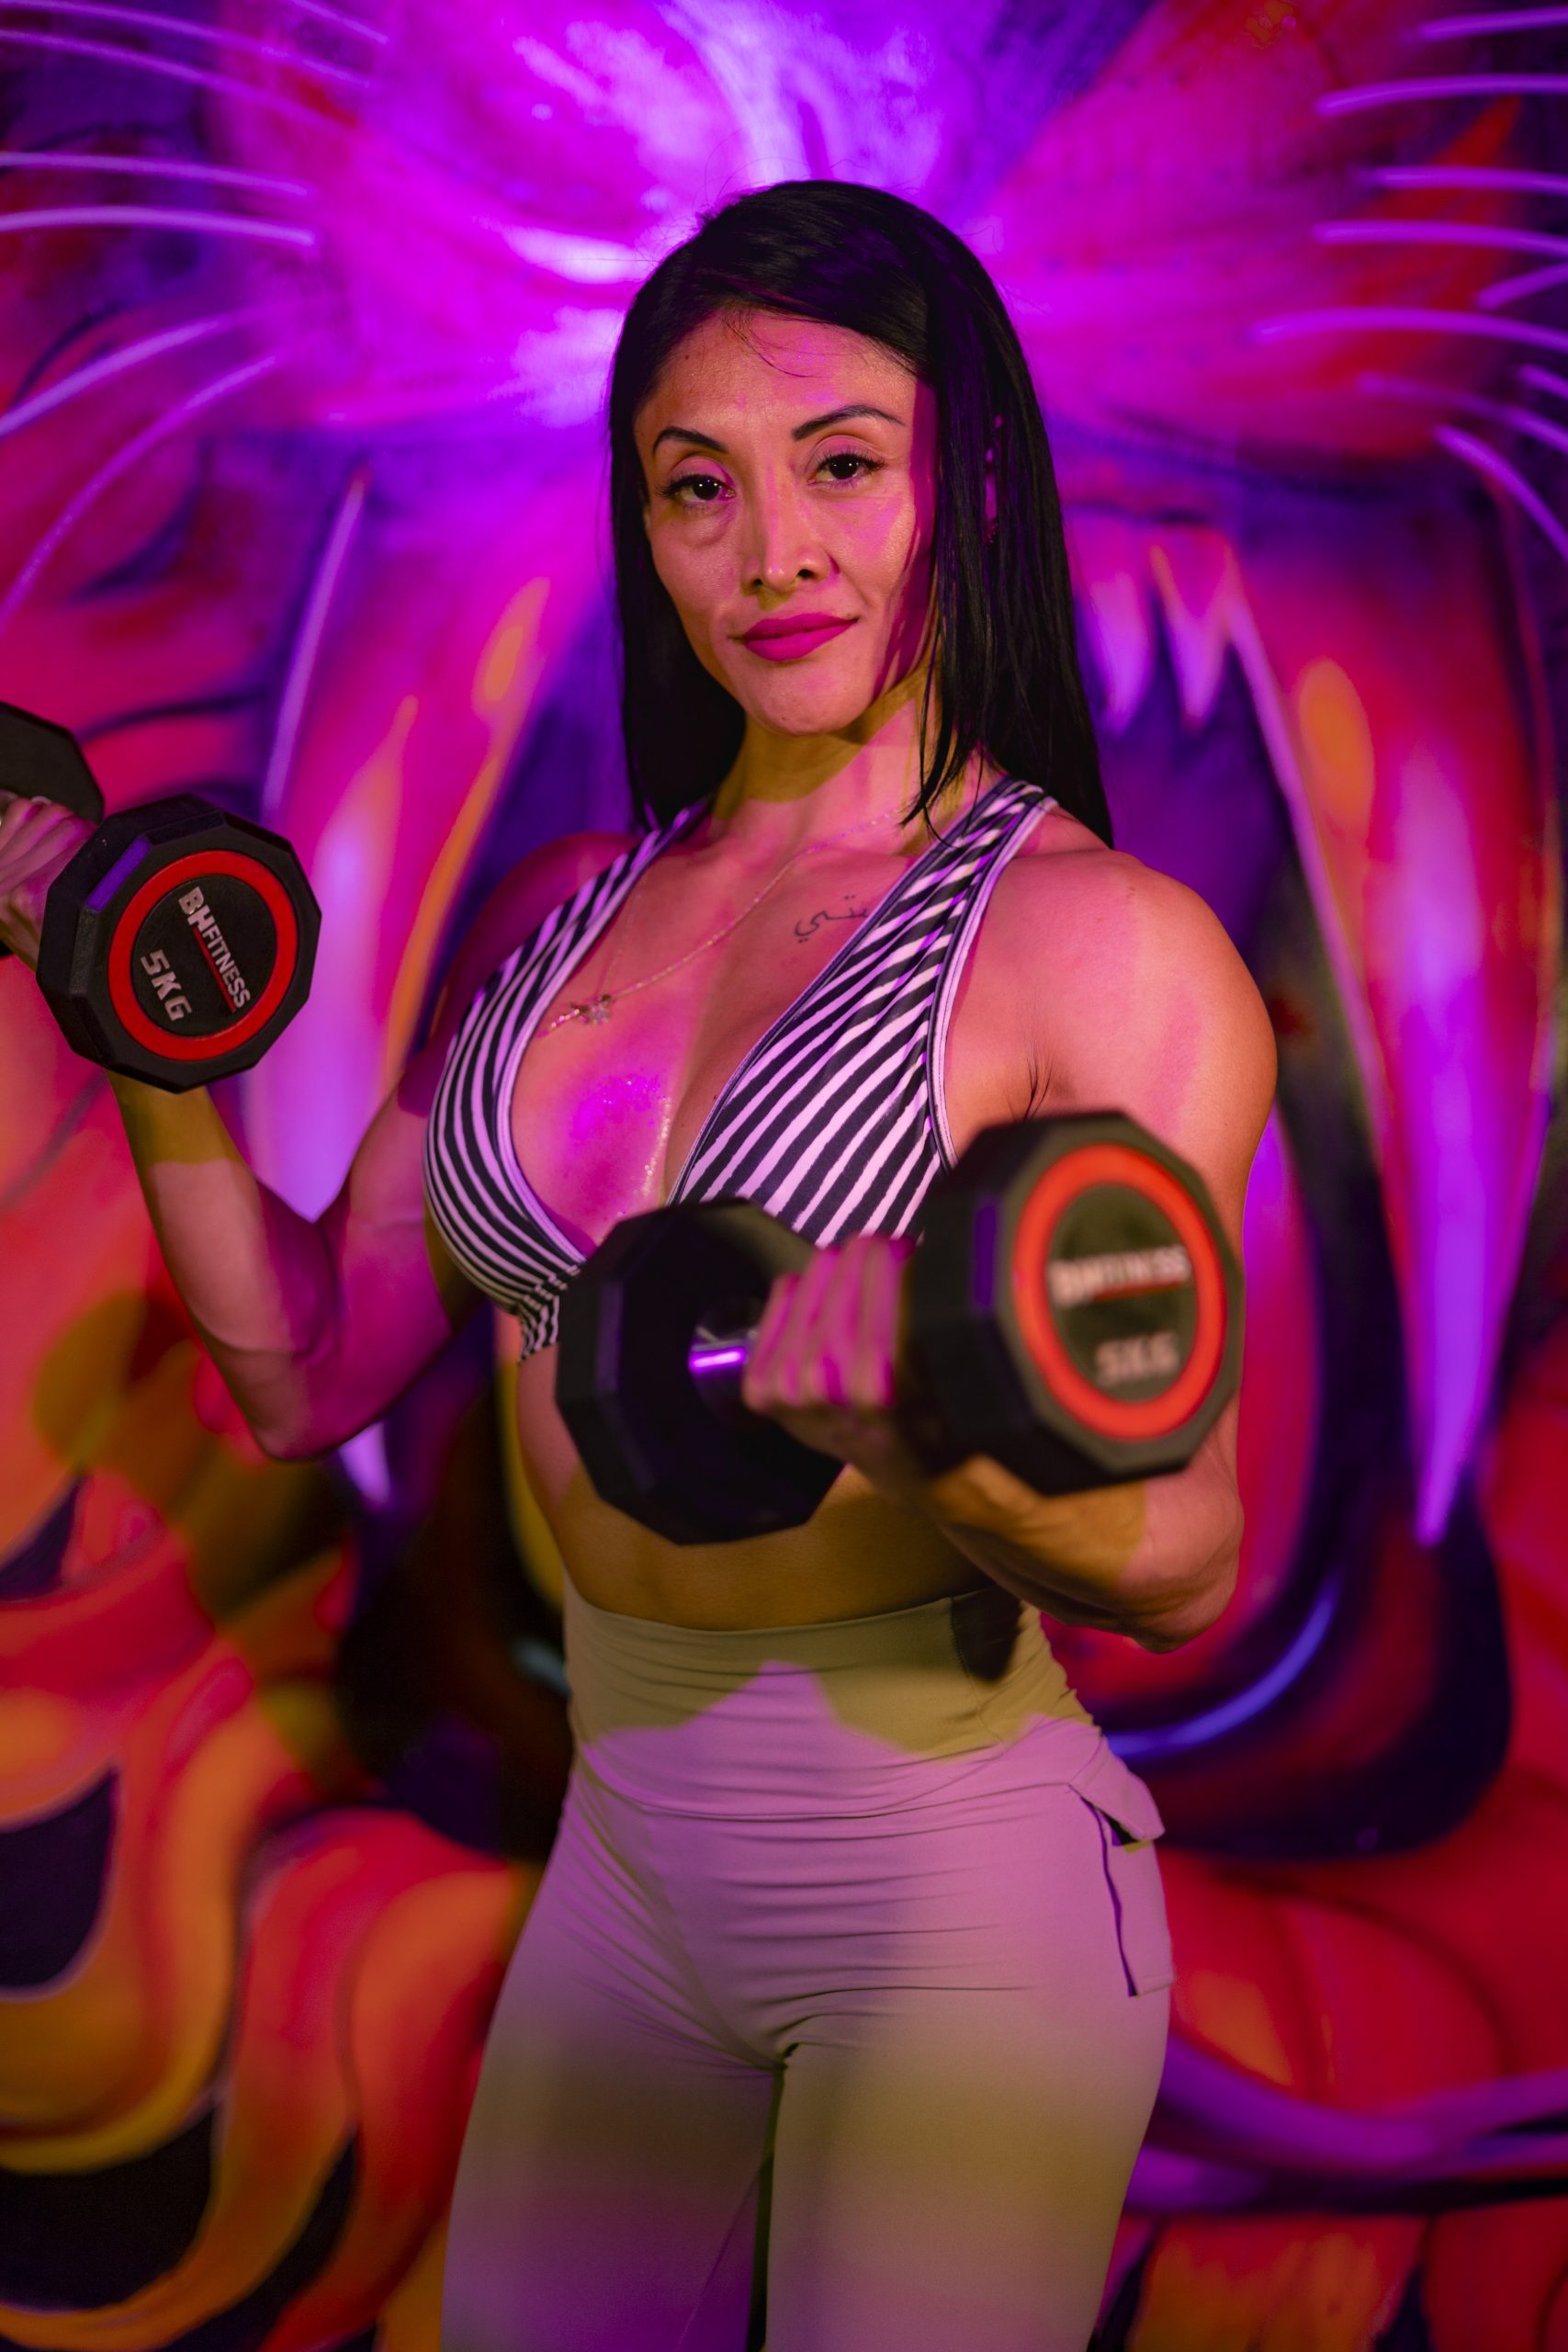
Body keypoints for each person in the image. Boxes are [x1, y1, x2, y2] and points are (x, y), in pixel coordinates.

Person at [0, 183, 1275, 2351]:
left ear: (968, 485)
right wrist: (138, 1022)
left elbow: (1180, 1554)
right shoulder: (570, 910)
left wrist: (915, 1430)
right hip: (628, 1856)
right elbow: (304, 1366)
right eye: (698, 487)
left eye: (840, 465)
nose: (770, 553)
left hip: (945, 1877)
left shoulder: (1100, 951)